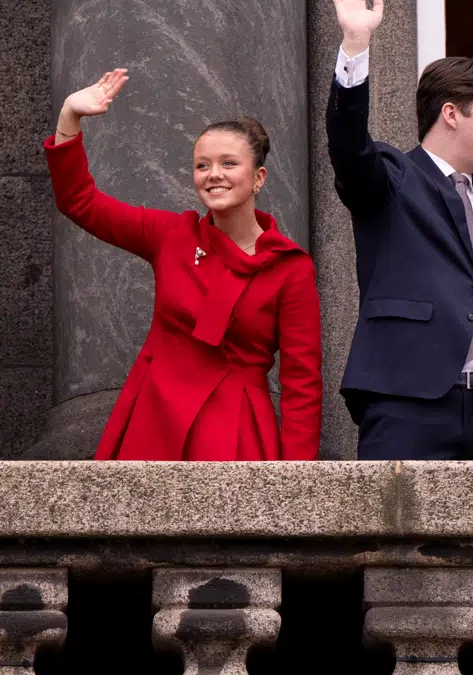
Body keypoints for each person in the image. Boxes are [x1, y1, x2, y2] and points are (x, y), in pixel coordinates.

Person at [326, 0, 473, 461]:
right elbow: (347, 148)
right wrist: (355, 48)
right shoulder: (392, 178)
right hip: (407, 404)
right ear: (452, 112)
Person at [44, 69, 321, 460]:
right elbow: (80, 201)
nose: (214, 175)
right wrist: (70, 117)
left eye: (228, 163)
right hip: (153, 417)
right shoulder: (172, 235)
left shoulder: (290, 268)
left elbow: (301, 384)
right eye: (202, 166)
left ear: (258, 178)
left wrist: (299, 481)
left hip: (235, 428)